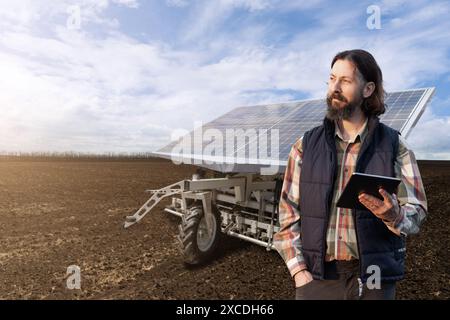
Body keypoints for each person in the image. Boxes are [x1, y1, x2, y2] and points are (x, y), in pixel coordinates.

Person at [273, 49, 428, 300]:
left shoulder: (395, 146)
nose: (335, 87)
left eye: (345, 81)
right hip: (318, 279)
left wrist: (395, 216)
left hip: (374, 280)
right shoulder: (305, 145)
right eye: (332, 79)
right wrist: (299, 273)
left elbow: (417, 211)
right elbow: (288, 212)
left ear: (368, 89)